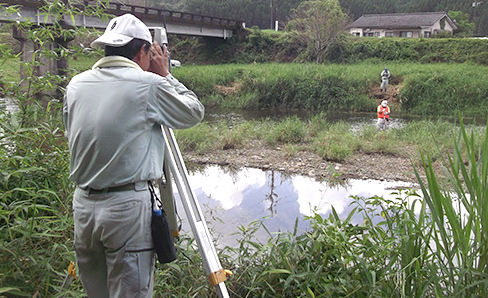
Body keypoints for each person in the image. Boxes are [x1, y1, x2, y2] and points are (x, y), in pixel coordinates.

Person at [63, 14, 204, 298]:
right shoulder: (147, 85)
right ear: (143, 51)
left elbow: (72, 133)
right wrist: (165, 75)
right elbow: (193, 111)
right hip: (126, 207)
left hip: (83, 206)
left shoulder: (76, 84)